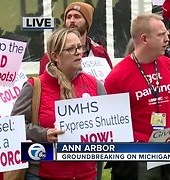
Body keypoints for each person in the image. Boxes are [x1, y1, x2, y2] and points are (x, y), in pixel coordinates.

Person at [104, 13, 170, 180]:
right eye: (161, 35)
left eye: (167, 34)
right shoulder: (117, 76)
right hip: (140, 156)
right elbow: (112, 123)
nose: (167, 39)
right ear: (144, 39)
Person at [11, 28, 106, 179]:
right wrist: (44, 134)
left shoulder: (95, 85)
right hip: (43, 174)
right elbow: (15, 127)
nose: (78, 52)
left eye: (79, 47)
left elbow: (108, 126)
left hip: (86, 174)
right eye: (71, 49)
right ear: (55, 56)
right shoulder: (35, 86)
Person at [39, 2, 113, 75]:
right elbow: (43, 83)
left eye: (77, 17)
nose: (72, 20)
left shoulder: (99, 52)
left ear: (87, 23)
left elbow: (110, 79)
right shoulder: (53, 54)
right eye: (69, 17)